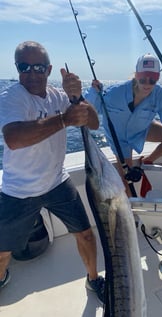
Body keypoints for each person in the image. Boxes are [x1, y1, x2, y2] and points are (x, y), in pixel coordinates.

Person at [0, 41, 104, 303]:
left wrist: (78, 97)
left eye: (38, 67)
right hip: (18, 190)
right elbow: (13, 137)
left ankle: (93, 280)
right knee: (2, 253)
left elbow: (94, 123)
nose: (31, 74)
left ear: (48, 70)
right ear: (17, 68)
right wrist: (64, 119)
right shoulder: (11, 97)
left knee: (86, 234)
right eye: (24, 67)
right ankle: (1, 278)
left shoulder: (59, 96)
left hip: (58, 182)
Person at [85, 53, 162, 196]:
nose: (147, 84)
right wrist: (94, 92)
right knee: (126, 180)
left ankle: (147, 161)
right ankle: (132, 214)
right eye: (143, 78)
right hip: (120, 139)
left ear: (158, 78)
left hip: (142, 128)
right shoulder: (114, 93)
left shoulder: (161, 96)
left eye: (152, 80)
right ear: (136, 75)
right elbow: (89, 108)